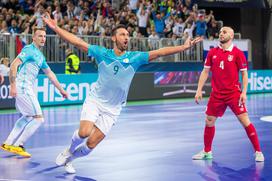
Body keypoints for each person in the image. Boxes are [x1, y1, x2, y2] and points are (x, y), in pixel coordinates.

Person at [42, 13, 203, 174]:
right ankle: (68, 150)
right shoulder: (102, 53)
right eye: (122, 34)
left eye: (127, 35)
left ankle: (70, 160)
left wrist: (183, 47)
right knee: (84, 132)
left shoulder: (136, 58)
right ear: (114, 38)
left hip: (113, 109)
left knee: (91, 144)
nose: (127, 37)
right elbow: (77, 42)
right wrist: (56, 27)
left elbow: (160, 52)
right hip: (95, 101)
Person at [192, 26, 264, 162]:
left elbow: (244, 74)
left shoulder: (238, 53)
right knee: (209, 121)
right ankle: (207, 152)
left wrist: (243, 92)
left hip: (233, 94)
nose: (221, 34)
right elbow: (205, 72)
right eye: (220, 32)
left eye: (224, 32)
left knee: (245, 121)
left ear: (231, 36)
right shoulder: (212, 52)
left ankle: (258, 152)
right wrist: (199, 89)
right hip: (216, 94)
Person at [0, 27, 68, 157]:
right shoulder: (29, 50)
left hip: (26, 88)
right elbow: (14, 65)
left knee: (27, 117)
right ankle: (19, 145)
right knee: (39, 119)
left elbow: (50, 74)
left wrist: (61, 90)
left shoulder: (40, 56)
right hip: (23, 87)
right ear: (33, 38)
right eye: (40, 36)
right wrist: (13, 85)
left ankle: (8, 143)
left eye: (44, 36)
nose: (43, 38)